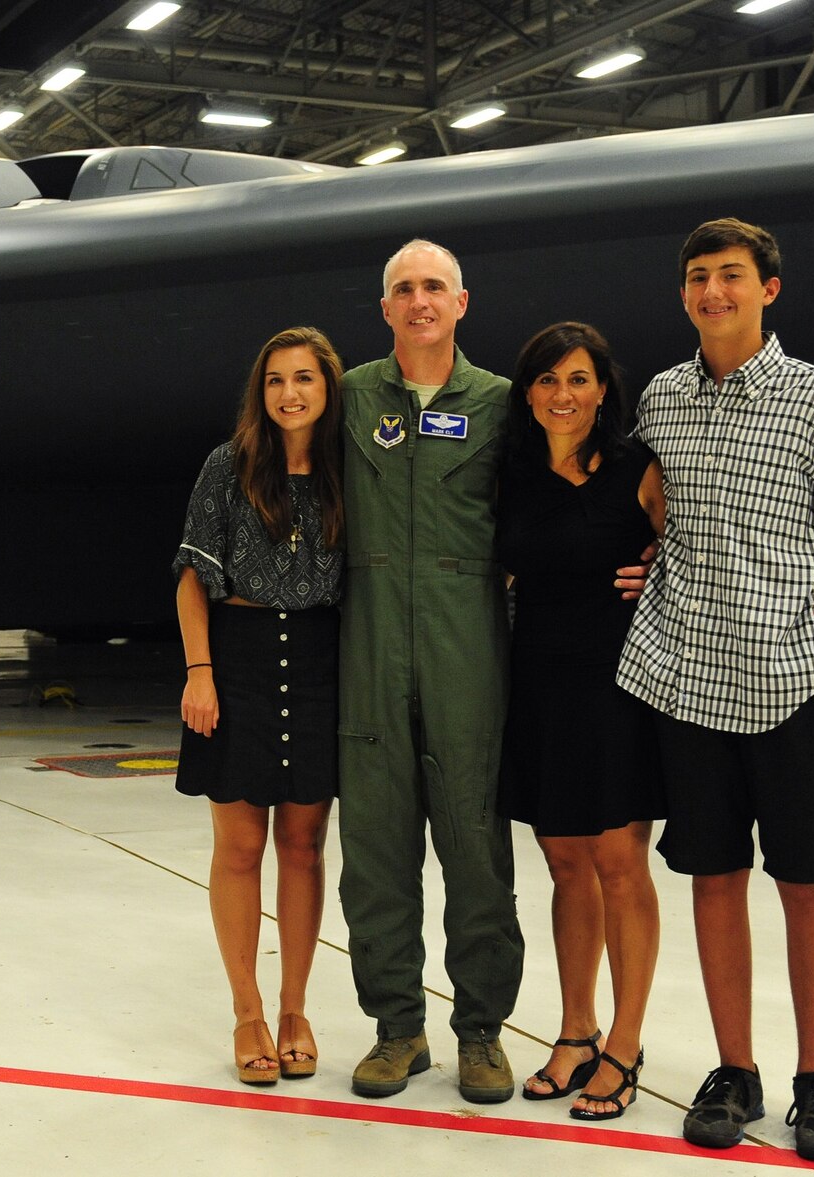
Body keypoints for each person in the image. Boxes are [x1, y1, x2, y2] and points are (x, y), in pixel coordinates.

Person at [618, 218, 814, 1162]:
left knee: (808, 882)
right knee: (714, 877)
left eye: (731, 276)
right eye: (698, 278)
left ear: (768, 289)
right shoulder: (664, 398)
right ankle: (733, 1069)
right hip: (690, 678)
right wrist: (650, 552)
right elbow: (645, 493)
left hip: (794, 682)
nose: (713, 292)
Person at [335, 239, 522, 1103]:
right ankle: (397, 1028)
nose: (419, 301)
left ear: (462, 302)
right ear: (385, 309)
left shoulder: (501, 405)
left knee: (476, 846)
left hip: (467, 650)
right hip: (370, 647)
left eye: (434, 287)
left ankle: (480, 1030)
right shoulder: (347, 399)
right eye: (404, 289)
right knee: (375, 847)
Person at [497, 322, 665, 1121]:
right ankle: (576, 1031)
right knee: (564, 861)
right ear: (527, 393)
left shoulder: (638, 467)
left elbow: (695, 555)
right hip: (537, 682)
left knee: (620, 862)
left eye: (578, 379)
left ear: (603, 390)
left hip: (618, 686)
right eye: (546, 380)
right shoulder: (513, 472)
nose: (562, 395)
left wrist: (657, 572)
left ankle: (626, 1045)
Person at [174, 326, 348, 1086]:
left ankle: (294, 1009)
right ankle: (246, 1011)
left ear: (327, 386)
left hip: (321, 660)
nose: (289, 393)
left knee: (304, 846)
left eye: (304, 378)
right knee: (240, 847)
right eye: (275, 380)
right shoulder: (230, 464)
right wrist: (200, 670)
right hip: (236, 655)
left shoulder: (349, 470)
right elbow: (190, 572)